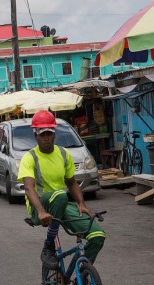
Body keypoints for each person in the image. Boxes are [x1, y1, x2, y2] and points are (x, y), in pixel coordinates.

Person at [18, 110, 105, 270]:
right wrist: (41, 212)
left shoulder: (64, 154)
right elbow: (29, 189)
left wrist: (81, 204)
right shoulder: (29, 158)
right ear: (35, 135)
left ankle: (83, 272)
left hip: (62, 205)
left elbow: (72, 183)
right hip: (40, 209)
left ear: (54, 134)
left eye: (49, 133)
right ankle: (48, 246)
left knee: (97, 236)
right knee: (59, 195)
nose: (46, 137)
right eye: (42, 134)